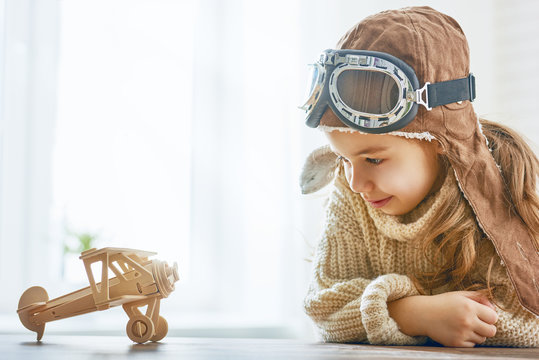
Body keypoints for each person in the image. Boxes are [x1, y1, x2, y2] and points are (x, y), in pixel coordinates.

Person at [299, 6, 539, 347]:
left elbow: (528, 316)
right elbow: (323, 307)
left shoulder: (495, 194)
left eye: (373, 159)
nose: (355, 183)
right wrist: (413, 313)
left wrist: (381, 306)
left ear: (439, 141)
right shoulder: (351, 195)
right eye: (343, 159)